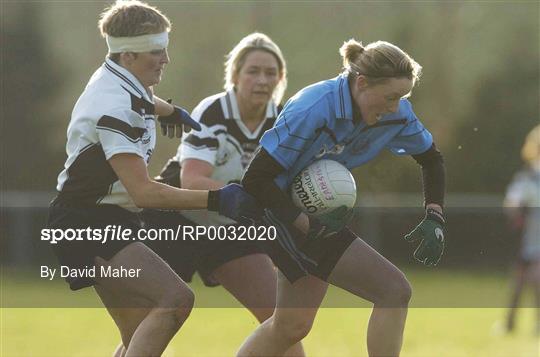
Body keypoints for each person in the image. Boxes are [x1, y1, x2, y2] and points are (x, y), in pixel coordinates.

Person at [47, 1, 258, 356]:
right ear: (128, 55)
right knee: (175, 300)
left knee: (138, 331)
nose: (166, 59)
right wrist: (218, 198)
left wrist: (169, 110)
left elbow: (142, 99)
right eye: (157, 51)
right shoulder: (116, 106)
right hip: (88, 224)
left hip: (102, 218)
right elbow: (145, 192)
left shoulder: (122, 76)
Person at [238, 39, 446, 357]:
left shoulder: (397, 113)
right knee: (393, 290)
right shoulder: (313, 107)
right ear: (361, 82)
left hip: (313, 216)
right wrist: (301, 221)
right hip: (277, 211)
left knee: (290, 326)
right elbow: (254, 180)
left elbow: (431, 158)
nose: (395, 106)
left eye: (402, 97)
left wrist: (434, 213)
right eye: (390, 96)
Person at [142, 32, 305, 356]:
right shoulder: (213, 111)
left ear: (281, 79)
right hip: (176, 220)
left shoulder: (283, 121)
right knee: (153, 324)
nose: (262, 80)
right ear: (235, 76)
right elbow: (192, 181)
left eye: (271, 73)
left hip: (231, 227)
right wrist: (258, 200)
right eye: (253, 71)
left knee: (284, 324)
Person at [503, 124, 540, 335]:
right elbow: (513, 202)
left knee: (537, 279)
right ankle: (509, 324)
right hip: (527, 236)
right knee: (518, 282)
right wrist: (516, 210)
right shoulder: (527, 176)